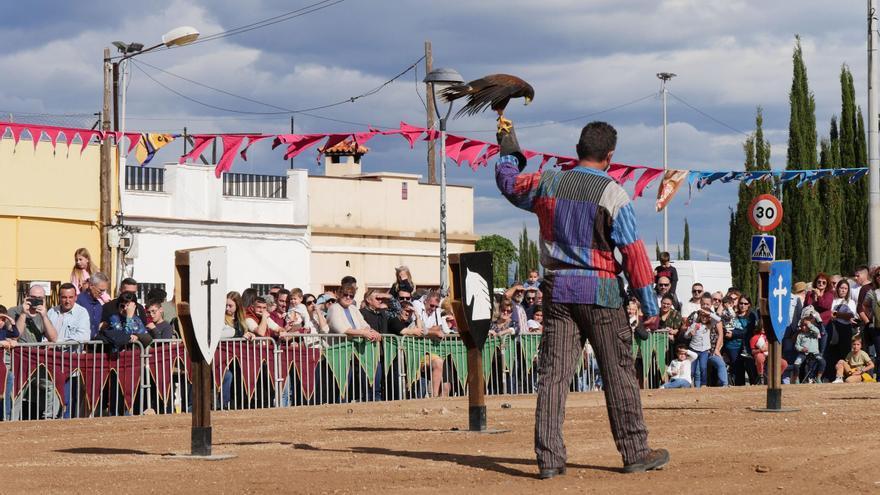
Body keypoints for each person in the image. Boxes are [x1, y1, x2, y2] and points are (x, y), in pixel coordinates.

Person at [495, 120, 668, 478]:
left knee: (554, 377)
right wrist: (650, 309)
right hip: (601, 293)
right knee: (618, 373)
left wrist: (508, 148)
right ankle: (635, 452)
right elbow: (634, 255)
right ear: (610, 156)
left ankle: (549, 460)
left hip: (557, 290)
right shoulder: (614, 194)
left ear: (577, 149)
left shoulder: (548, 181)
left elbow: (509, 185)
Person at [829, 280, 858, 371]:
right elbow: (828, 314)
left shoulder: (851, 302)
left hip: (845, 329)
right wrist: (840, 315)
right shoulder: (832, 301)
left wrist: (836, 314)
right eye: (841, 288)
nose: (843, 290)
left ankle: (843, 373)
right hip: (833, 327)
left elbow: (850, 316)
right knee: (832, 351)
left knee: (844, 352)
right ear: (837, 289)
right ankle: (831, 375)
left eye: (846, 288)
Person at [792, 306, 825, 384]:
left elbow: (817, 331)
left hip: (814, 353)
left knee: (822, 362)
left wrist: (809, 324)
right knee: (796, 364)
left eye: (805, 325)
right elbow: (797, 345)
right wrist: (801, 349)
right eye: (802, 325)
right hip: (803, 353)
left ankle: (818, 378)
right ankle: (796, 379)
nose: (804, 327)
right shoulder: (800, 335)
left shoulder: (814, 332)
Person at [804, 273, 833, 354]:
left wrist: (819, 296)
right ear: (815, 283)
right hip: (811, 325)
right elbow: (806, 307)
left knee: (822, 352)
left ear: (827, 284)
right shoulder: (810, 294)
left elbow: (825, 306)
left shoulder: (829, 294)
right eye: (819, 282)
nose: (821, 284)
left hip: (824, 325)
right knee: (810, 351)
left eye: (824, 282)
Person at [76, 272, 109, 339]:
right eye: (100, 290)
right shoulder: (77, 301)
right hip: (78, 344)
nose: (102, 294)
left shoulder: (98, 305)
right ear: (91, 286)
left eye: (104, 291)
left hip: (93, 346)